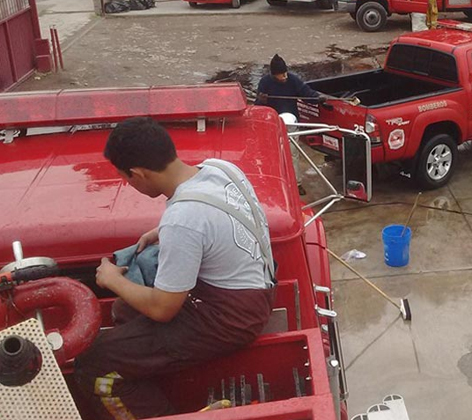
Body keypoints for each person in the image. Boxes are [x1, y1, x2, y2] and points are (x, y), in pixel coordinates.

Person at [75, 117, 276, 419]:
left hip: (230, 320)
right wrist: (164, 232)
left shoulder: (182, 219)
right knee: (125, 312)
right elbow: (223, 216)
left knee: (94, 363)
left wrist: (111, 279)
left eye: (127, 179)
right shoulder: (221, 168)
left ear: (138, 174)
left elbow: (162, 309)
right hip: (259, 286)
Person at [256, 54, 324, 196]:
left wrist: (318, 99)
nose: (285, 76)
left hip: (291, 124)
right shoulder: (265, 83)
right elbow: (259, 108)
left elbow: (307, 93)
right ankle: (276, 183)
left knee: (293, 154)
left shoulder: (293, 80)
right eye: (281, 74)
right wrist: (262, 100)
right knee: (274, 155)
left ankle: (296, 183)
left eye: (285, 73)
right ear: (274, 75)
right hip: (273, 125)